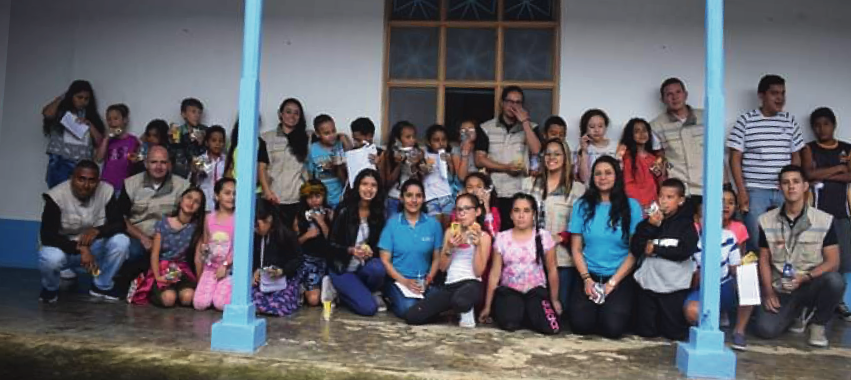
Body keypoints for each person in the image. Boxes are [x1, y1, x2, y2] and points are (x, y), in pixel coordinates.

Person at [753, 165, 845, 347]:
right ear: (780, 188)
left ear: (805, 186)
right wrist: (768, 292)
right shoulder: (766, 220)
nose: (791, 187)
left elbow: (833, 262)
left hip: (810, 282)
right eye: (786, 183)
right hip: (781, 286)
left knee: (835, 281)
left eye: (796, 182)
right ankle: (796, 314)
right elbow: (763, 258)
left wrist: (805, 277)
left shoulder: (824, 220)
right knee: (765, 330)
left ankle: (818, 323)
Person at [568, 155, 643, 339]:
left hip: (619, 276)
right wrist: (587, 279)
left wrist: (612, 283)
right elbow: (576, 249)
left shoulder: (632, 206)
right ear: (592, 178)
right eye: (598, 174)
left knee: (613, 328)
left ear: (616, 176)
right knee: (580, 325)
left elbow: (634, 252)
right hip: (589, 274)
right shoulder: (582, 206)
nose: (603, 177)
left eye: (608, 173)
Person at [727, 74, 804, 251]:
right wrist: (741, 191)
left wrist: (795, 185)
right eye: (774, 93)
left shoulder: (789, 121)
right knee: (755, 237)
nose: (780, 98)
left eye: (783, 93)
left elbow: (796, 156)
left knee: (789, 237)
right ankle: (761, 276)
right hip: (755, 190)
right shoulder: (746, 121)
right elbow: (735, 158)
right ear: (761, 95)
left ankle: (782, 275)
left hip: (785, 189)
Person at [38, 160, 129, 303]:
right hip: (65, 250)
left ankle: (102, 285)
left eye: (92, 181)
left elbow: (120, 224)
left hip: (94, 250)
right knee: (50, 257)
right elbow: (47, 236)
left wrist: (98, 230)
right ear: (72, 178)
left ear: (98, 181)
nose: (86, 185)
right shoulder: (56, 196)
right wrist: (80, 248)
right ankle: (50, 288)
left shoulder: (106, 191)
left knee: (121, 241)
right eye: (81, 179)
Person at [406, 193, 492, 327]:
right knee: (412, 316)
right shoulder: (450, 232)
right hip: (450, 285)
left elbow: (478, 272)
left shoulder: (484, 236)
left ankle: (464, 309)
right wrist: (450, 248)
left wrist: (477, 246)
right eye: (459, 209)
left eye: (466, 209)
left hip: (471, 284)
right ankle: (454, 310)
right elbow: (442, 268)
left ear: (477, 211)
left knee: (461, 299)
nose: (462, 213)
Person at [113, 146, 190, 296]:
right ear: (146, 163)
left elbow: (186, 217)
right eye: (154, 162)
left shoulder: (182, 185)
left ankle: (161, 288)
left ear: (169, 164)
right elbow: (121, 217)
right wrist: (143, 238)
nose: (159, 166)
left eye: (163, 162)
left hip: (169, 238)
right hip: (138, 235)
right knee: (133, 250)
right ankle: (130, 287)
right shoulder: (131, 183)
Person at [479, 193, 561, 335]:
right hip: (510, 291)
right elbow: (495, 273)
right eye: (516, 211)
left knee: (550, 328)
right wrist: (487, 306)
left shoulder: (543, 237)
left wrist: (554, 299)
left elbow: (552, 270)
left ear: (534, 214)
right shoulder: (502, 238)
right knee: (509, 323)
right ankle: (522, 311)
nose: (521, 215)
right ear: (510, 215)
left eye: (526, 211)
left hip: (535, 291)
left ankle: (530, 311)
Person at [522, 138, 585, 319]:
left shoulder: (578, 189)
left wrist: (561, 237)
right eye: (547, 153)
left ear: (566, 158)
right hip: (531, 256)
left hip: (562, 260)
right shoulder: (528, 184)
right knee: (531, 311)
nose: (551, 157)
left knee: (559, 310)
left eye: (557, 154)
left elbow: (582, 225)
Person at [684, 190, 753, 351]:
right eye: (703, 216)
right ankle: (710, 328)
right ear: (697, 219)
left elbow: (735, 267)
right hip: (702, 289)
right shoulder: (692, 240)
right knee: (691, 311)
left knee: (749, 283)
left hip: (725, 286)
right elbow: (692, 278)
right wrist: (697, 277)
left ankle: (739, 331)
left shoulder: (729, 236)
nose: (709, 220)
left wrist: (746, 273)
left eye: (714, 215)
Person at [800, 107, 851, 321]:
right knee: (815, 258)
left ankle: (837, 300)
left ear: (834, 124)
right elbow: (808, 174)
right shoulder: (808, 148)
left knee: (844, 259)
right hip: (816, 213)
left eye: (826, 124)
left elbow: (850, 176)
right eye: (817, 125)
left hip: (841, 212)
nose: (822, 129)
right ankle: (810, 302)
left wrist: (828, 174)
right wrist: (838, 169)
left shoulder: (847, 148)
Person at [631, 179, 698, 341]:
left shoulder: (686, 225)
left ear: (680, 200)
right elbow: (635, 247)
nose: (664, 201)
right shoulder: (650, 222)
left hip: (673, 288)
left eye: (670, 197)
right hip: (649, 286)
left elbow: (685, 250)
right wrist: (650, 226)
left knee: (673, 333)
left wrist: (655, 249)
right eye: (661, 196)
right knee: (646, 331)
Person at [474, 86, 542, 230]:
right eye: (510, 101)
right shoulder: (486, 127)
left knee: (518, 236)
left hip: (521, 191)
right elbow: (479, 159)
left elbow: (536, 150)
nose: (513, 106)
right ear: (502, 103)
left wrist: (525, 123)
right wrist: (505, 168)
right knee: (493, 234)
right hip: (494, 192)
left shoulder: (532, 127)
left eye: (518, 103)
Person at [130, 187, 206, 307]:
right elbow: (155, 254)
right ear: (181, 200)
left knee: (188, 298)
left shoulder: (196, 228)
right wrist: (158, 276)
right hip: (162, 268)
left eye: (196, 202)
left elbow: (198, 259)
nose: (191, 203)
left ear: (198, 209)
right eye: (189, 197)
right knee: (169, 299)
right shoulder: (164, 223)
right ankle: (157, 292)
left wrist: (201, 282)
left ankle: (177, 291)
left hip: (181, 270)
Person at [379, 179, 443, 318]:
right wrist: (405, 282)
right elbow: (385, 261)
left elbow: (437, 258)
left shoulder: (433, 225)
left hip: (424, 282)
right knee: (409, 309)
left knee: (441, 304)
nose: (414, 200)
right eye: (409, 195)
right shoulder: (392, 224)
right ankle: (392, 299)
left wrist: (428, 281)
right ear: (401, 199)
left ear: (424, 199)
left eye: (418, 196)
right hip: (398, 281)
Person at [328, 169, 388, 316]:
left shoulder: (378, 213)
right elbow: (330, 245)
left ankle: (360, 291)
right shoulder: (343, 209)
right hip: (342, 268)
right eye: (364, 184)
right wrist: (351, 250)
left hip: (362, 267)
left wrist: (369, 251)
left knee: (379, 268)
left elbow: (376, 245)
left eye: (373, 185)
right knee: (369, 309)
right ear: (357, 186)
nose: (369, 189)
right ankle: (338, 291)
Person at [41, 80, 106, 187]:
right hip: (60, 162)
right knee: (58, 198)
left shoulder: (91, 116)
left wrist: (89, 125)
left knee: (80, 200)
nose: (83, 101)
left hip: (83, 166)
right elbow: (47, 113)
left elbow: (100, 142)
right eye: (79, 97)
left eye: (86, 99)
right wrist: (63, 97)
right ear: (71, 96)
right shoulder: (61, 111)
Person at [649, 78, 704, 195]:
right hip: (678, 190)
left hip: (707, 187)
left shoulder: (706, 117)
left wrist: (726, 183)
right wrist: (667, 176)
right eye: (669, 94)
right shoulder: (656, 126)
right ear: (663, 99)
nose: (674, 97)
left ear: (685, 94)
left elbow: (716, 152)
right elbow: (660, 158)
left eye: (678, 92)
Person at [261, 98, 310, 229]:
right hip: (272, 198)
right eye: (288, 112)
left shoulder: (307, 137)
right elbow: (261, 168)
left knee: (294, 241)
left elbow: (327, 138)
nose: (292, 116)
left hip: (297, 198)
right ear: (280, 114)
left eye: (296, 113)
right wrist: (267, 192)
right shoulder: (266, 138)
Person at [252, 198, 304, 317]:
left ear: (269, 219)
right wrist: (255, 271)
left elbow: (298, 258)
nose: (255, 229)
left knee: (279, 306)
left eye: (257, 225)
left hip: (285, 278)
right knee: (249, 302)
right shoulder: (255, 236)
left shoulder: (286, 235)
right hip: (264, 280)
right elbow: (254, 258)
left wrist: (283, 271)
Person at [193, 178, 235, 311]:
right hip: (210, 268)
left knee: (220, 304)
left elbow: (238, 249)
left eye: (235, 193)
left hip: (229, 270)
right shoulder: (209, 218)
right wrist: (205, 254)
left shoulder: (238, 218)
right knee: (200, 304)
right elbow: (205, 243)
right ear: (217, 196)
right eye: (227, 193)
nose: (232, 197)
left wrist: (225, 266)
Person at [293, 180, 334, 307]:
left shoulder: (330, 213)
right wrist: (306, 235)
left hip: (325, 260)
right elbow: (294, 244)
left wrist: (322, 222)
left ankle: (320, 286)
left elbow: (333, 241)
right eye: (310, 197)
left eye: (318, 196)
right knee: (313, 300)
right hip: (306, 261)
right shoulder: (299, 216)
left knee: (318, 300)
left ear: (324, 196)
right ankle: (302, 287)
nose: (314, 200)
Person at [306, 114, 352, 209]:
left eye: (333, 131)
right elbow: (310, 174)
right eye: (327, 133)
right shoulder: (312, 149)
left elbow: (352, 160)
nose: (332, 135)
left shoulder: (340, 145)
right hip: (322, 198)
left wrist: (345, 140)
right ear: (318, 134)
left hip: (341, 195)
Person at [380, 121, 424, 217]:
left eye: (414, 137)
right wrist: (400, 163)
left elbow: (419, 181)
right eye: (408, 137)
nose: (412, 140)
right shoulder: (388, 154)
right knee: (394, 228)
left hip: (412, 198)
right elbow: (388, 182)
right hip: (394, 197)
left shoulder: (419, 153)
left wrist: (413, 165)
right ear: (397, 140)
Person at [620, 118, 667, 209]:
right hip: (637, 204)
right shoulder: (627, 157)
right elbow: (628, 184)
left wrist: (662, 170)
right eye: (637, 131)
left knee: (653, 223)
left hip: (654, 203)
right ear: (631, 135)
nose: (642, 134)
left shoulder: (653, 158)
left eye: (644, 130)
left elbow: (660, 182)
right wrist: (639, 204)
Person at [95, 104, 139, 193]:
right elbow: (98, 159)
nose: (112, 122)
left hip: (123, 186)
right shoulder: (107, 141)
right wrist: (106, 139)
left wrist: (137, 158)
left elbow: (140, 158)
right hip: (105, 185)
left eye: (115, 118)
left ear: (125, 120)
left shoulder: (133, 140)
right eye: (109, 119)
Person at [422, 124, 456, 229]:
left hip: (446, 196)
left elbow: (451, 177)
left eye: (444, 140)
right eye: (436, 140)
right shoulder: (425, 155)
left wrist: (449, 163)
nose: (441, 143)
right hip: (431, 197)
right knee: (435, 227)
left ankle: (445, 245)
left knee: (447, 227)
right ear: (429, 142)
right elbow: (421, 175)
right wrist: (426, 167)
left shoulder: (448, 155)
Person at [168, 98, 208, 179]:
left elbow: (210, 157)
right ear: (183, 114)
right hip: (180, 174)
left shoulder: (206, 131)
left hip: (201, 175)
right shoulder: (176, 131)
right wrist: (170, 141)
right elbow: (173, 155)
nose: (197, 115)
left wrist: (201, 144)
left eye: (199, 112)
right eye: (193, 111)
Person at [576, 109, 618, 184]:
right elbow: (584, 178)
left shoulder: (616, 146)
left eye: (600, 126)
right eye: (592, 127)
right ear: (585, 129)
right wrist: (584, 151)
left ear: (605, 127)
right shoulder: (581, 147)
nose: (596, 130)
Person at [194, 125, 227, 211]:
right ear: (206, 142)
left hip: (223, 204)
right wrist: (196, 172)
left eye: (221, 141)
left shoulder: (227, 160)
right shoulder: (200, 160)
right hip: (205, 204)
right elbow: (194, 182)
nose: (217, 144)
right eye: (213, 140)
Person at [451, 118, 479, 182]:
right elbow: (462, 177)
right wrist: (465, 151)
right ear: (459, 134)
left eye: (471, 129)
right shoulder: (456, 150)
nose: (467, 132)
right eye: (463, 130)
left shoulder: (480, 149)